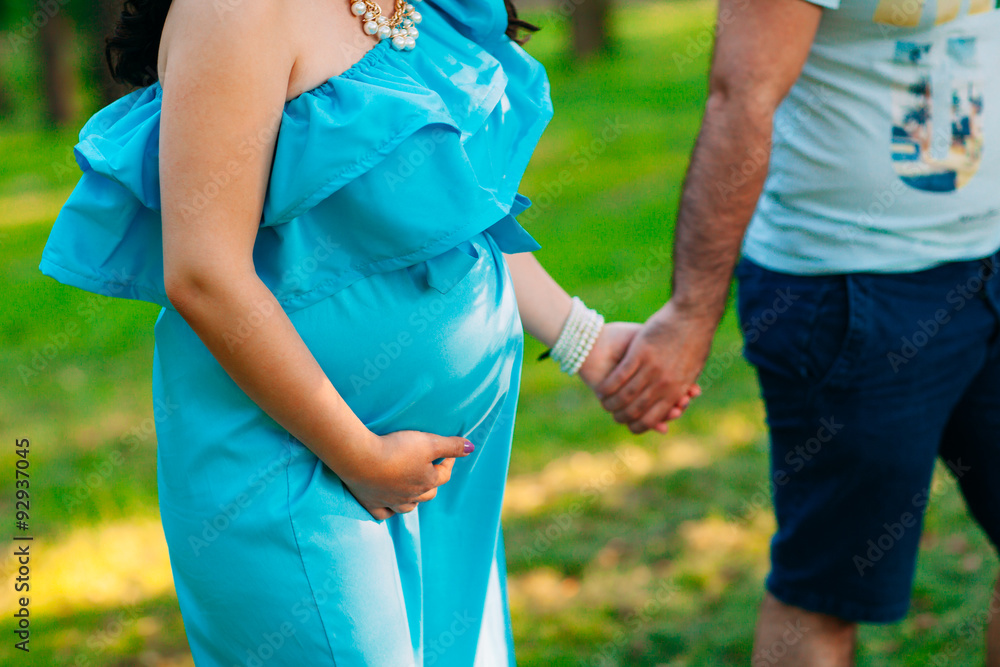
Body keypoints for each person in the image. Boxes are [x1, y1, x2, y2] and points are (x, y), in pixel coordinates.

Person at [37, 0, 696, 664]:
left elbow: (447, 211)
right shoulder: (234, 11)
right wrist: (362, 457)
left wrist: (585, 338)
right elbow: (204, 274)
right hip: (295, 458)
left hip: (440, 472)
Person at [597, 0, 1000, 664]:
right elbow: (740, 97)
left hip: (987, 257)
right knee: (825, 591)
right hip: (851, 289)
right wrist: (693, 314)